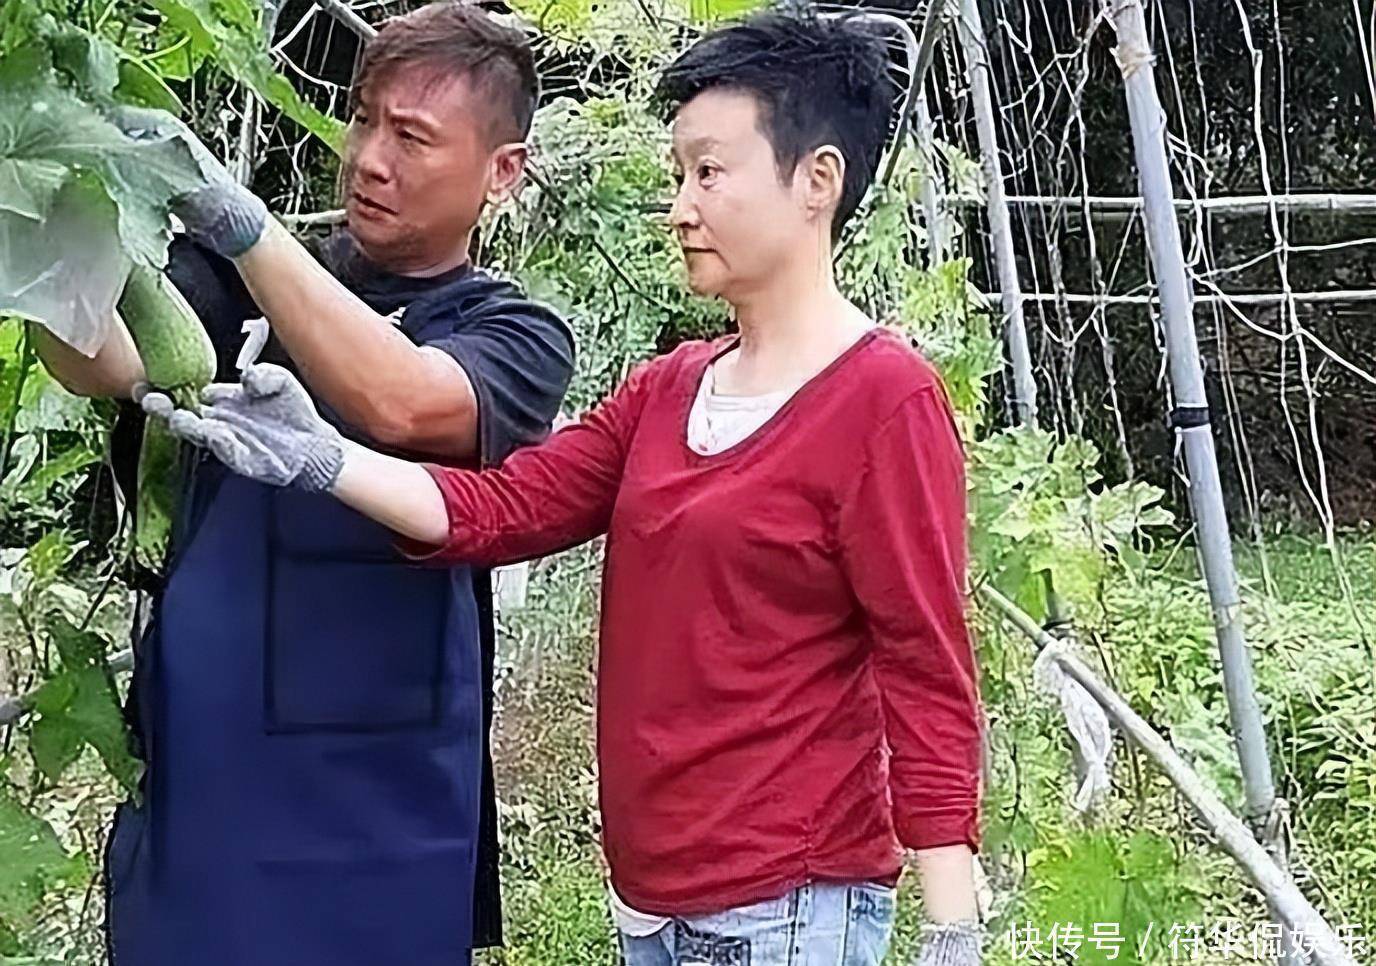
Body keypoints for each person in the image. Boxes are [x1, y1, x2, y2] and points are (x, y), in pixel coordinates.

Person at [143, 11, 985, 966]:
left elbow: (924, 660)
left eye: (710, 173)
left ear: (816, 182)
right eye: (678, 175)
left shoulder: (882, 400)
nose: (681, 207)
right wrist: (323, 458)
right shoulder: (671, 390)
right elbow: (503, 509)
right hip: (652, 903)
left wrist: (951, 924)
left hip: (785, 901)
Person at [34, 5, 573, 964]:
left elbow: (404, 402)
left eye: (412, 137)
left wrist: (245, 224)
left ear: (503, 171)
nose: (369, 159)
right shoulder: (227, 286)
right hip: (207, 783)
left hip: (386, 809)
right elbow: (100, 361)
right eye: (363, 120)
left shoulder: (514, 333)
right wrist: (48, 211)